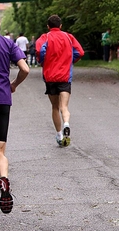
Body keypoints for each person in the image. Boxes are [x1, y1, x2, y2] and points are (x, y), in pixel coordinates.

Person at [0, 8, 29, 219]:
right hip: (2, 100)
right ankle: (4, 177)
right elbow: (25, 69)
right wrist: (14, 85)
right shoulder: (7, 43)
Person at [36, 15, 85, 147]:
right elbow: (80, 52)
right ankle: (67, 124)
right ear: (61, 25)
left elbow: (40, 50)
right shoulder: (69, 37)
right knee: (64, 106)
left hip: (50, 76)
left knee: (55, 107)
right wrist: (71, 60)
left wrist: (42, 61)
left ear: (48, 26)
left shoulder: (45, 37)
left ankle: (59, 134)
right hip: (65, 76)